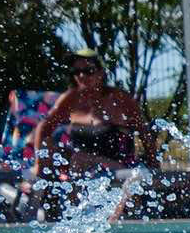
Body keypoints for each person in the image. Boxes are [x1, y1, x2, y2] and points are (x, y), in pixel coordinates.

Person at [27, 49, 153, 180]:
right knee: (54, 149)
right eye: (76, 72)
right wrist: (39, 164)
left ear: (101, 72)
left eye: (88, 71)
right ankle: (42, 191)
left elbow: (144, 132)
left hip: (119, 167)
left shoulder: (120, 99)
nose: (81, 76)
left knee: (80, 159)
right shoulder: (71, 98)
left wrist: (154, 163)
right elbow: (44, 127)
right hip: (81, 169)